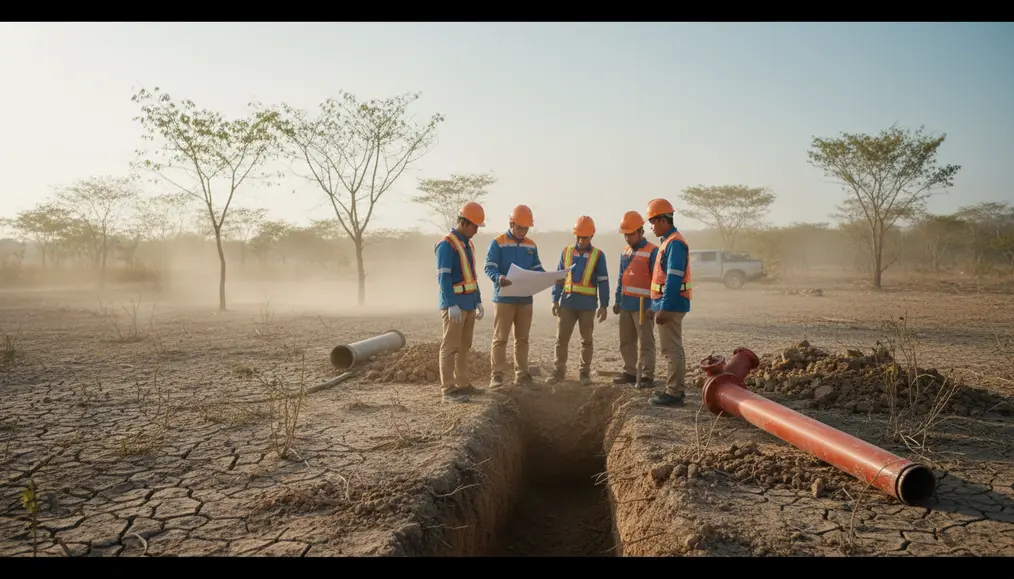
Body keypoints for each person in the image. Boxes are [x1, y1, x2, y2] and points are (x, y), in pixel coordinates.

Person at [485, 204, 544, 389]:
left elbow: (536, 268)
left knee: (522, 339)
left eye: (527, 228)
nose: (523, 231)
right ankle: (497, 376)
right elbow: (489, 267)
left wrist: (548, 277)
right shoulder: (498, 242)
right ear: (511, 223)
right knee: (500, 338)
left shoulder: (531, 245)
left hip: (525, 299)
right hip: (505, 298)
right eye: (520, 227)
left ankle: (522, 374)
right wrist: (498, 278)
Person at [546, 216, 609, 386]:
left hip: (587, 306)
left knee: (586, 341)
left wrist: (604, 305)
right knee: (561, 339)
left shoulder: (598, 255)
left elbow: (603, 281)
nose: (581, 240)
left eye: (585, 237)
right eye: (578, 236)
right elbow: (559, 278)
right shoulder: (566, 252)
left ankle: (584, 373)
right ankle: (558, 371)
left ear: (591, 236)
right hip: (567, 303)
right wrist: (555, 299)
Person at [434, 201, 487, 403]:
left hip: (469, 302)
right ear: (464, 223)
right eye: (475, 226)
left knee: (465, 346)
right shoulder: (446, 245)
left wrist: (478, 300)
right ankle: (448, 389)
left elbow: (472, 276)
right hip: (455, 305)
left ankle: (463, 384)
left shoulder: (468, 244)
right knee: (450, 347)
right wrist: (450, 304)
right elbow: (443, 278)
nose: (477, 231)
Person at [643, 198, 693, 407]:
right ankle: (674, 389)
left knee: (671, 349)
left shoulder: (674, 243)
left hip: (672, 304)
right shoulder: (668, 242)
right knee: (670, 348)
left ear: (664, 220)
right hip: (667, 303)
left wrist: (663, 307)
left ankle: (674, 393)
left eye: (653, 222)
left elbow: (673, 278)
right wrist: (654, 306)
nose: (651, 227)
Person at [611, 210, 659, 388]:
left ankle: (647, 375)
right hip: (626, 304)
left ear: (641, 231)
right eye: (625, 235)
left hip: (643, 305)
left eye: (630, 234)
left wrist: (654, 305)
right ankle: (630, 371)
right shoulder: (625, 251)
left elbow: (658, 280)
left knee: (646, 342)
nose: (627, 238)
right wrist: (617, 300)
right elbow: (621, 278)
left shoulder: (652, 251)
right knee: (626, 341)